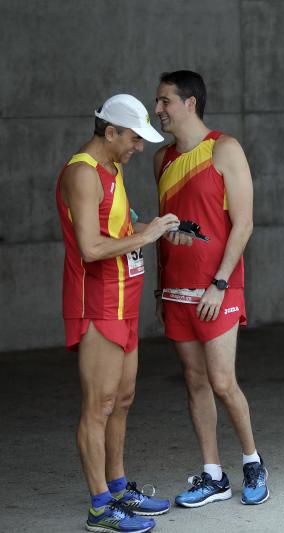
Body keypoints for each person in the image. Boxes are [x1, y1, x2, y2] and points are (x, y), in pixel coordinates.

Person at [57, 94, 180, 532]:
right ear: (110, 132)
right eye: (133, 138)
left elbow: (118, 229)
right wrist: (146, 238)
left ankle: (118, 485)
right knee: (99, 405)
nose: (139, 147)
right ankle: (99, 507)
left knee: (122, 400)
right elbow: (91, 248)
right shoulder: (82, 174)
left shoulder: (113, 167)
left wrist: (159, 228)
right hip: (97, 302)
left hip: (126, 300)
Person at [153, 70, 269, 507]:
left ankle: (253, 461)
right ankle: (212, 473)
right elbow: (167, 230)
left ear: (190, 103)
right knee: (194, 381)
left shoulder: (225, 148)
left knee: (222, 381)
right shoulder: (160, 159)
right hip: (176, 291)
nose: (158, 109)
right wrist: (161, 290)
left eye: (165, 101)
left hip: (219, 288)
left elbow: (244, 223)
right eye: (158, 101)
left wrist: (220, 283)